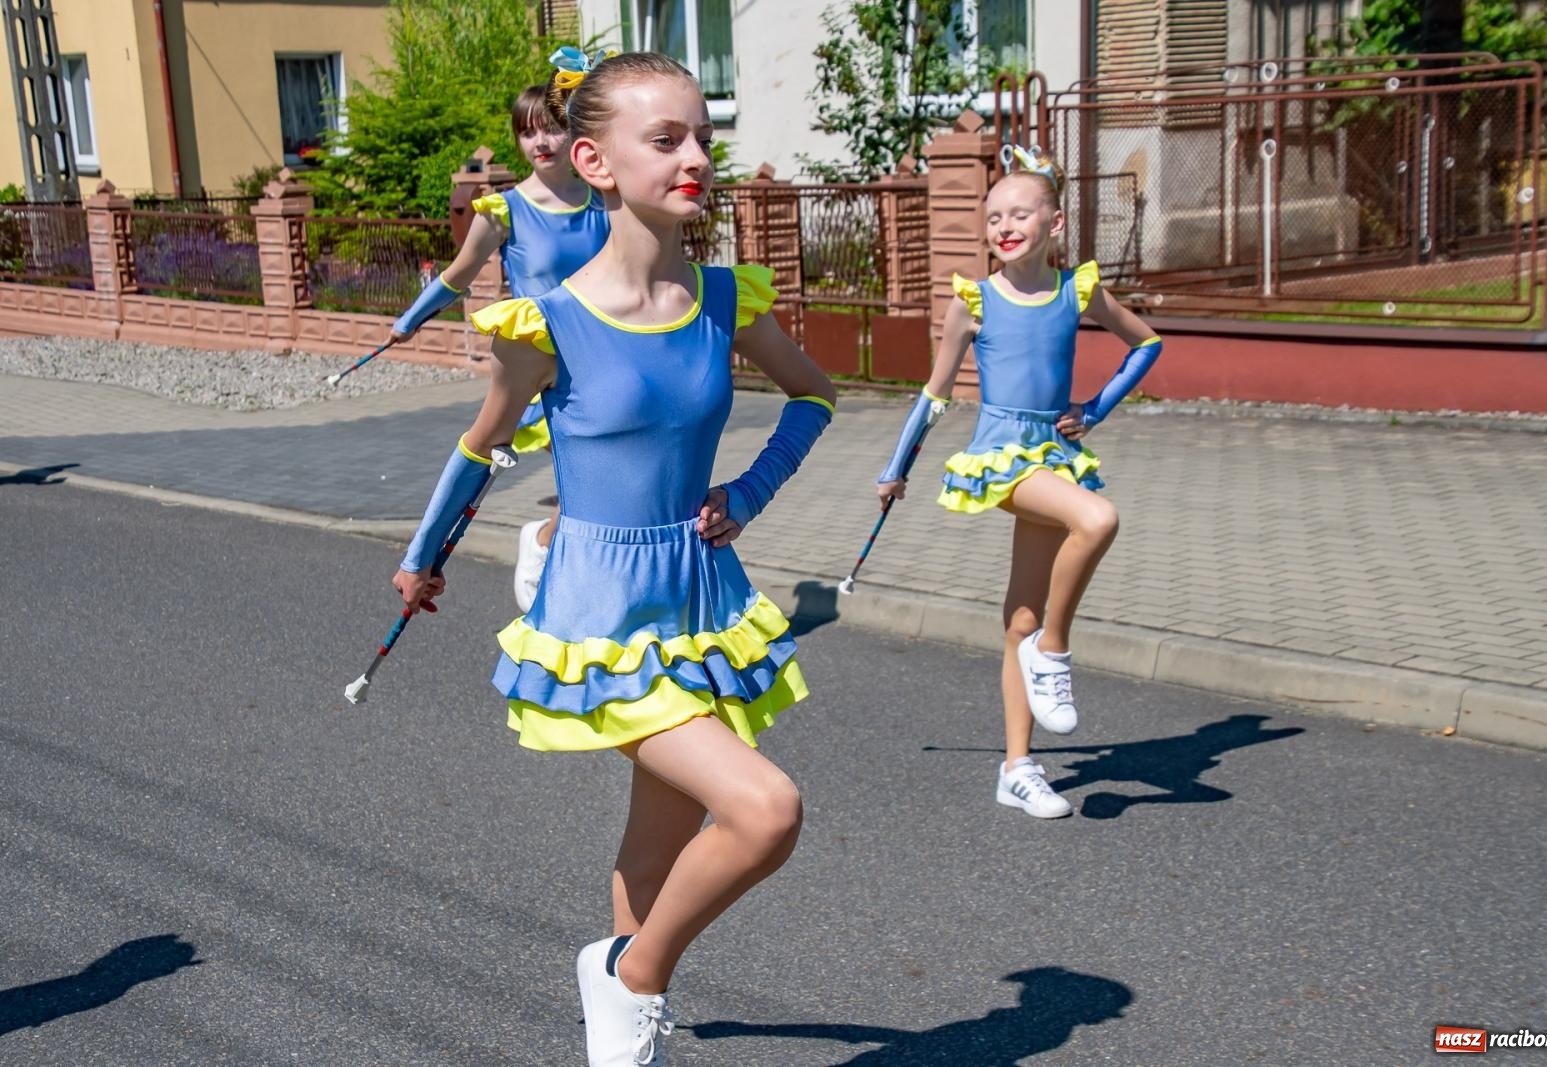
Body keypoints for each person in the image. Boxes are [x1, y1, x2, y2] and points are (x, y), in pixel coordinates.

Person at [391, 51, 835, 1066]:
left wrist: (749, 495)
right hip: (601, 610)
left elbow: (814, 398)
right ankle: (627, 975)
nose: (695, 159)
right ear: (593, 159)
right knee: (766, 807)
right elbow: (482, 446)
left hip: (700, 592)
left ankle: (623, 1036)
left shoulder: (726, 296)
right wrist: (423, 559)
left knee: (656, 840)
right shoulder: (547, 321)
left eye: (702, 140)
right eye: (665, 139)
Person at [875, 145, 1162, 820]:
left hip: (1054, 451)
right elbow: (934, 395)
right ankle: (1054, 653)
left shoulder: (1077, 291)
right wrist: (896, 466)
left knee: (1019, 618)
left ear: (1054, 223)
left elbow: (1146, 344)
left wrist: (1095, 408)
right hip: (1001, 457)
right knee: (1097, 519)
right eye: (994, 215)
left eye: (1020, 214)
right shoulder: (973, 302)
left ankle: (1018, 767)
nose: (1004, 226)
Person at [389, 46, 612, 612]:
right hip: (530, 358)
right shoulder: (504, 210)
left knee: (596, 485)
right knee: (487, 447)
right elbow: (460, 276)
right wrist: (409, 321)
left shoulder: (606, 204)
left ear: (576, 135)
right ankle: (453, 554)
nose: (539, 143)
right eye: (526, 133)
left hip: (599, 358)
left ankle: (545, 544)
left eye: (551, 130)